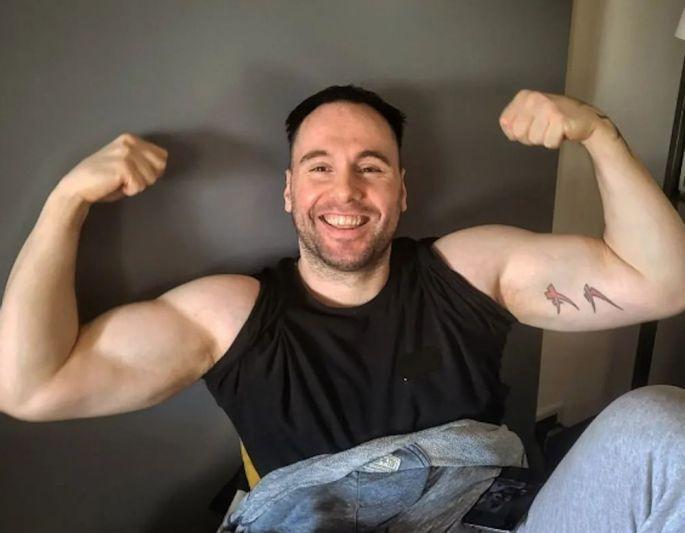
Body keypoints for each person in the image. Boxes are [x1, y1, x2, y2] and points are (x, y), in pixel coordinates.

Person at [1, 85, 684, 531]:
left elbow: (663, 284)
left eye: (371, 166)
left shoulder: (469, 269)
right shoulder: (229, 313)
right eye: (320, 166)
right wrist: (68, 202)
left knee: (659, 422)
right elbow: (30, 385)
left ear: (401, 191)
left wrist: (597, 133)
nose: (346, 190)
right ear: (290, 192)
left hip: (484, 518)